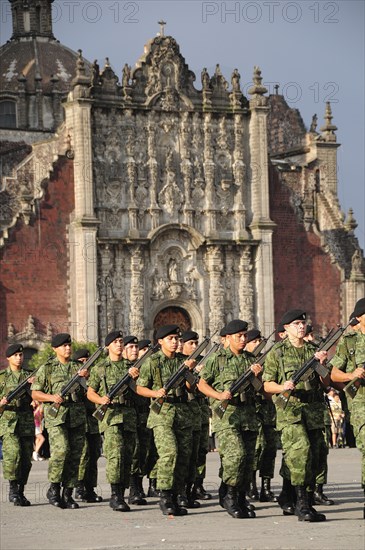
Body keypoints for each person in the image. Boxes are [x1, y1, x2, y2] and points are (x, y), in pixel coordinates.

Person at [263, 309, 329, 522]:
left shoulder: (313, 350)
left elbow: (326, 383)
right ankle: (303, 504)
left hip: (313, 411)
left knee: (315, 456)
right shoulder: (277, 352)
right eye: (296, 324)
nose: (301, 326)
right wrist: (283, 386)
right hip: (290, 411)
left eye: (303, 323)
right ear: (286, 329)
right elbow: (266, 384)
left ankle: (287, 495)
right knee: (302, 451)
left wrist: (323, 365)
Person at [198, 319, 262, 519]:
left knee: (248, 460)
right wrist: (218, 396)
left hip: (249, 415)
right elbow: (201, 384)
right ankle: (230, 497)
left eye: (244, 336)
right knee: (236, 456)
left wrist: (258, 377)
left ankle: (240, 496)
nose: (243, 339)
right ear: (227, 338)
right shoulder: (216, 360)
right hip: (227, 416)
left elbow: (260, 389)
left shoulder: (250, 360)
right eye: (238, 336)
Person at [136, 324, 195, 516]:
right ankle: (165, 495)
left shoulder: (183, 361)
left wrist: (190, 372)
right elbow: (140, 387)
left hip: (182, 413)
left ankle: (178, 495)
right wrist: (155, 392)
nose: (175, 342)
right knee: (169, 452)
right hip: (162, 413)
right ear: (160, 341)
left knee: (183, 457)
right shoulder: (152, 362)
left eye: (177, 339)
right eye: (171, 339)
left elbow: (190, 387)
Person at [31, 333, 88, 509]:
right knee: (61, 451)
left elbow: (88, 392)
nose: (68, 348)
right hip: (56, 418)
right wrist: (51, 397)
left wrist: (85, 378)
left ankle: (68, 492)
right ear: (55, 349)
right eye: (64, 346)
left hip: (76, 416)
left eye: (69, 345)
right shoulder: (47, 368)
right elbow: (35, 393)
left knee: (75, 455)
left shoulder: (78, 368)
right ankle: (54, 489)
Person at [87, 330, 139, 512]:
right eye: (115, 342)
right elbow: (90, 392)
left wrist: (135, 377)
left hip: (129, 416)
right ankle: (115, 495)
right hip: (110, 416)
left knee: (127, 456)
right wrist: (100, 400)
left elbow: (140, 390)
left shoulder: (131, 367)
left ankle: (122, 491)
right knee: (115, 455)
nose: (119, 344)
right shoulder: (100, 368)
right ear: (108, 345)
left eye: (120, 341)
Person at [330, 297, 365, 515]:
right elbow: (334, 373)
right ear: (360, 318)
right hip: (361, 405)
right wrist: (352, 374)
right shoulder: (349, 340)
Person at [244, 329, 278, 503]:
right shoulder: (243, 362)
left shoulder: (266, 361)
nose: (258, 344)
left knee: (270, 449)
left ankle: (266, 487)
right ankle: (251, 486)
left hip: (268, 411)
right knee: (255, 449)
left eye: (260, 341)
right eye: (254, 341)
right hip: (251, 412)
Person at [0, 344, 34, 506]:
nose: (19, 358)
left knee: (26, 460)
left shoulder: (30, 376)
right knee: (13, 455)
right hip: (9, 422)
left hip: (26, 421)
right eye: (15, 355)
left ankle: (21, 491)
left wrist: (34, 387)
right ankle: (13, 489)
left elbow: (38, 395)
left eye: (21, 355)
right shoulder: (2, 377)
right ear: (9, 358)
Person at [72, 348, 103, 504]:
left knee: (94, 455)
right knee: (83, 456)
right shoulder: (73, 380)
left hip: (93, 422)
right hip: (79, 422)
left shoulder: (93, 378)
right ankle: (80, 487)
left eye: (87, 361)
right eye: (81, 362)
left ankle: (90, 488)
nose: (85, 364)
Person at [122, 335, 149, 506]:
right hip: (125, 415)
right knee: (130, 452)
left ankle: (138, 485)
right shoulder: (118, 367)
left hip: (143, 413)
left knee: (142, 451)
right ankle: (131, 488)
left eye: (136, 347)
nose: (134, 350)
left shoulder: (143, 367)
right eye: (130, 347)